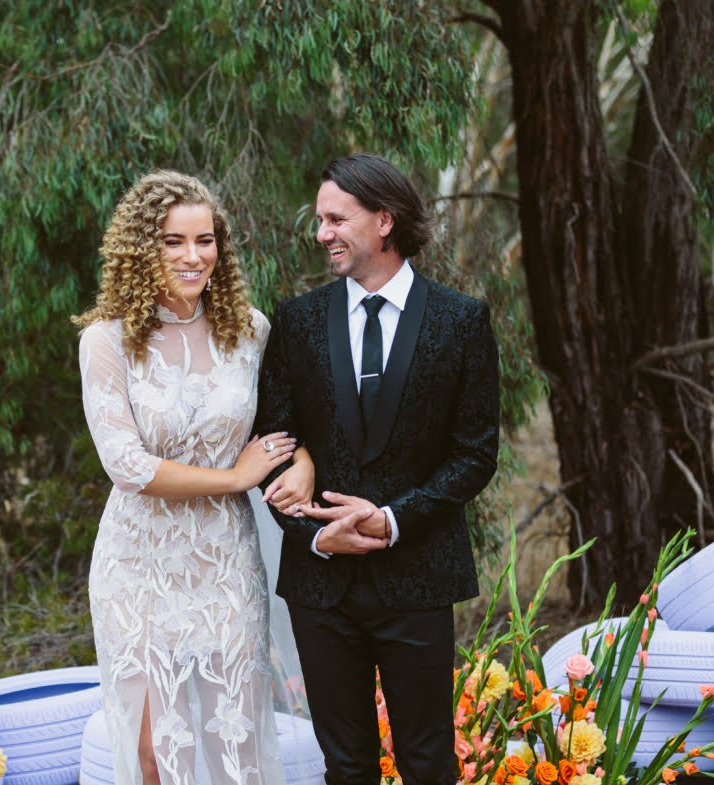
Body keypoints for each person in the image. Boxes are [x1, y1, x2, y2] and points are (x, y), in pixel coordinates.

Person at [255, 153, 500, 785]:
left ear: (385, 220)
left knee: (428, 764)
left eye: (336, 219)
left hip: (418, 577)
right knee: (346, 768)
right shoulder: (296, 321)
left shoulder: (461, 320)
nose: (322, 234)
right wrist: (315, 536)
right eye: (320, 220)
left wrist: (391, 520)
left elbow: (475, 454)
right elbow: (272, 444)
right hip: (320, 586)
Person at [74, 170, 314, 785]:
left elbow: (294, 423)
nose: (192, 256)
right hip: (139, 566)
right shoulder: (105, 341)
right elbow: (126, 464)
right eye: (173, 241)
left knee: (233, 741)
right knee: (156, 753)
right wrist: (234, 479)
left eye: (205, 240)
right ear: (140, 248)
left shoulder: (252, 331)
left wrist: (304, 461)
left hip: (225, 563)